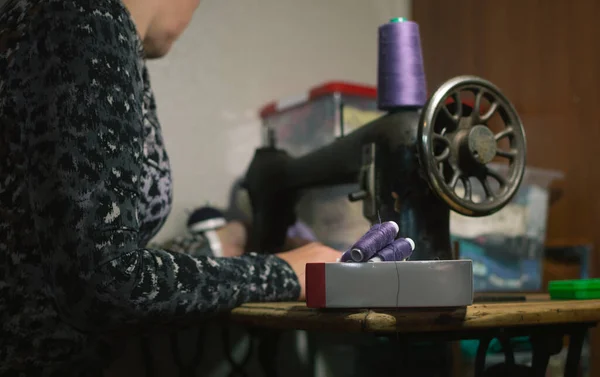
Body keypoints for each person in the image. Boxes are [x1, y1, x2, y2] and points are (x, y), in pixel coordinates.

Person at [0, 0, 341, 375]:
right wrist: (282, 273)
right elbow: (106, 281)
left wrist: (210, 247)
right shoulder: (89, 19)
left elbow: (57, 253)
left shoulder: (36, 17)